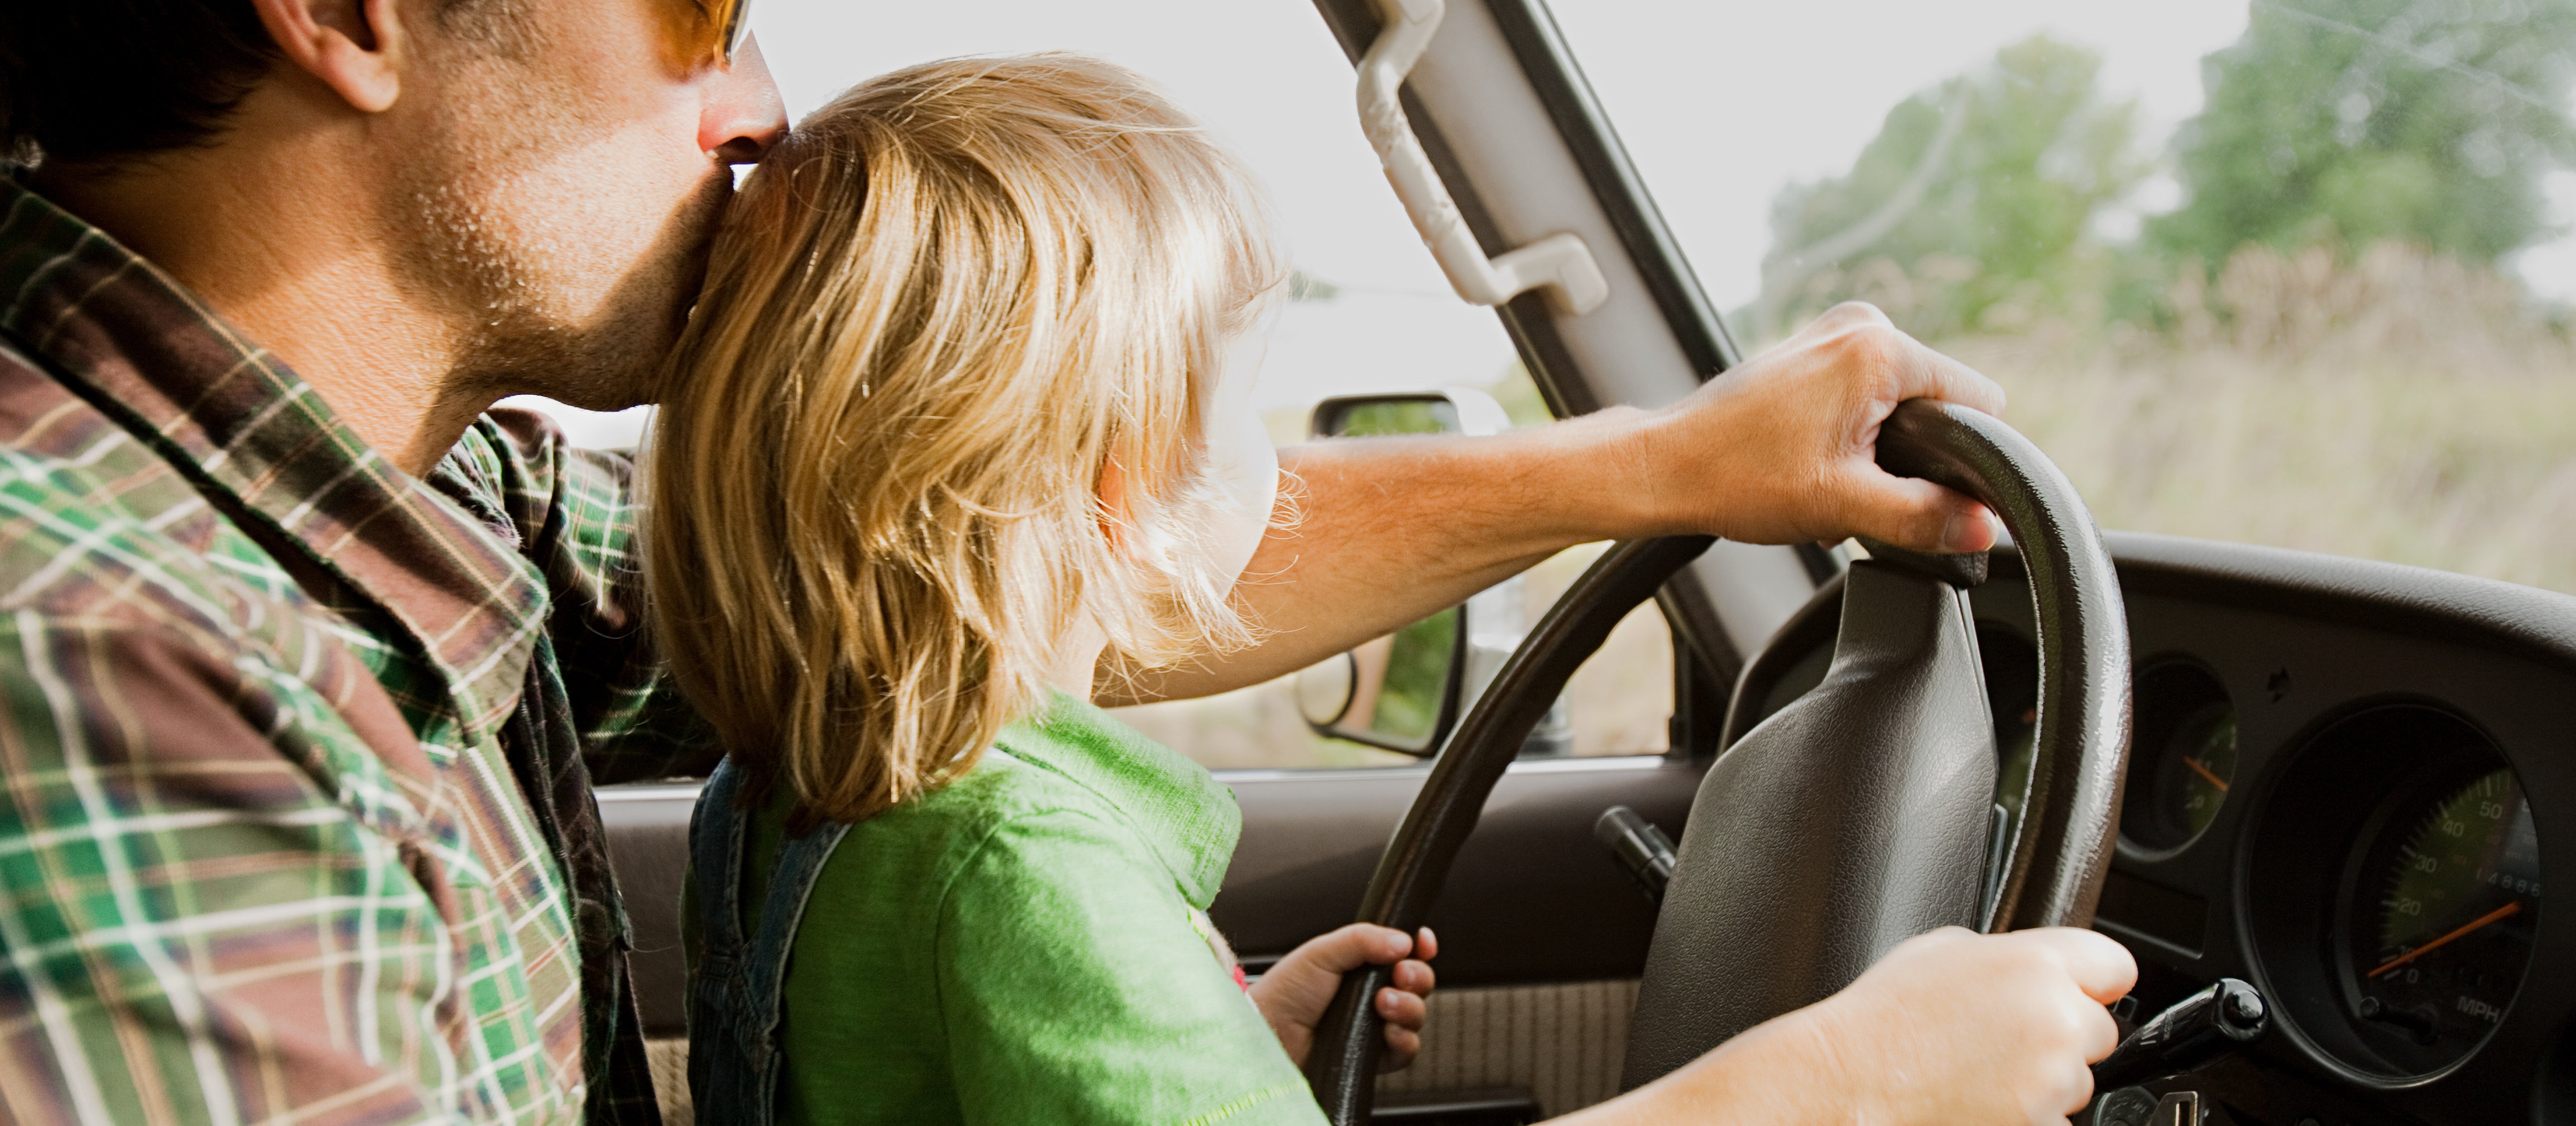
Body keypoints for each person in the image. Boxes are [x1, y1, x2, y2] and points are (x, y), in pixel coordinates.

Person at [0, 2, 2109, 1124]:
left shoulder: (426, 514)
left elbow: (973, 550)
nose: (762, 103)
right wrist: (1828, 1094)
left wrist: (1663, 463)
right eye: (694, 3)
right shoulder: (95, 657)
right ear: (351, 14)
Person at [653, 53, 2134, 1126]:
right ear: (1132, 495)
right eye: (1247, 402)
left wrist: (1223, 1056)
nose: (1273, 448)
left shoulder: (787, 800)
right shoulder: (1031, 875)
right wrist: (1846, 1082)